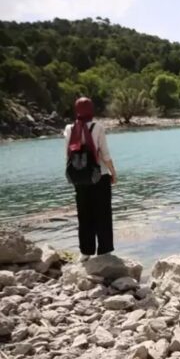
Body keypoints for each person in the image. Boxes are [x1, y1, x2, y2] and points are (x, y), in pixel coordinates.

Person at [64, 97, 117, 261]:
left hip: (79, 177)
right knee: (102, 213)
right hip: (99, 175)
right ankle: (105, 251)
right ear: (91, 110)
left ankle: (85, 252)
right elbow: (105, 154)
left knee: (84, 214)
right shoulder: (97, 127)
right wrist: (113, 173)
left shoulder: (69, 128)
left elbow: (68, 154)